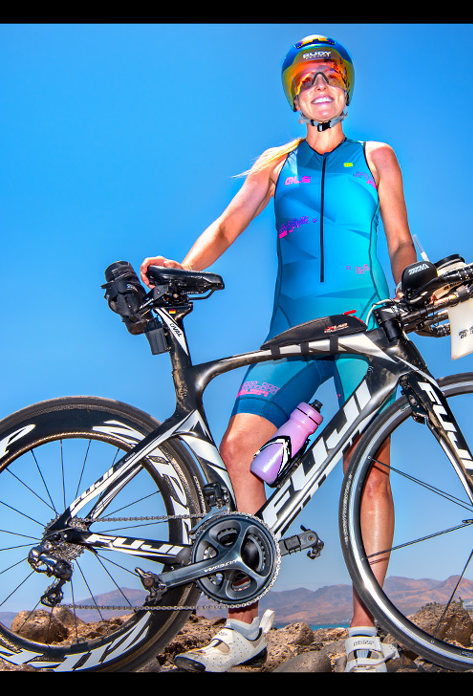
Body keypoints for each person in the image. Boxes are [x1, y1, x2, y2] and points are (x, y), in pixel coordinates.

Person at [141, 34, 418, 672]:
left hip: (364, 325)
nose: (320, 85)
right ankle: (243, 628)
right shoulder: (276, 163)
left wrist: (415, 284)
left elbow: (400, 239)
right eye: (307, 80)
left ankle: (365, 630)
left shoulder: (375, 155)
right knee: (239, 447)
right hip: (292, 327)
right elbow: (227, 226)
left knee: (369, 468)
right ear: (296, 98)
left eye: (331, 76)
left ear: (345, 91)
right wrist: (180, 268)